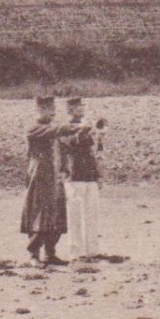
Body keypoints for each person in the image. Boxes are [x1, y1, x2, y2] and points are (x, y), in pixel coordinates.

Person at [20, 96, 69, 266]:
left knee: (57, 214)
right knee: (39, 214)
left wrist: (64, 168)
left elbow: (62, 148)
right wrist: (74, 127)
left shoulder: (51, 128)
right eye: (49, 109)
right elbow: (56, 131)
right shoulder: (33, 128)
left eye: (53, 108)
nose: (53, 112)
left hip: (54, 176)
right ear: (39, 110)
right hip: (39, 176)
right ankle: (34, 255)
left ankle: (50, 253)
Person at [59, 96, 105, 259]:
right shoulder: (65, 128)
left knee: (92, 214)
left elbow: (94, 153)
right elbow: (73, 142)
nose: (82, 110)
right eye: (78, 108)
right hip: (74, 175)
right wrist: (84, 129)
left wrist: (98, 175)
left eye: (82, 107)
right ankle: (77, 252)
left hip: (89, 175)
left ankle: (93, 250)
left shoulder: (86, 128)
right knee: (75, 215)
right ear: (70, 111)